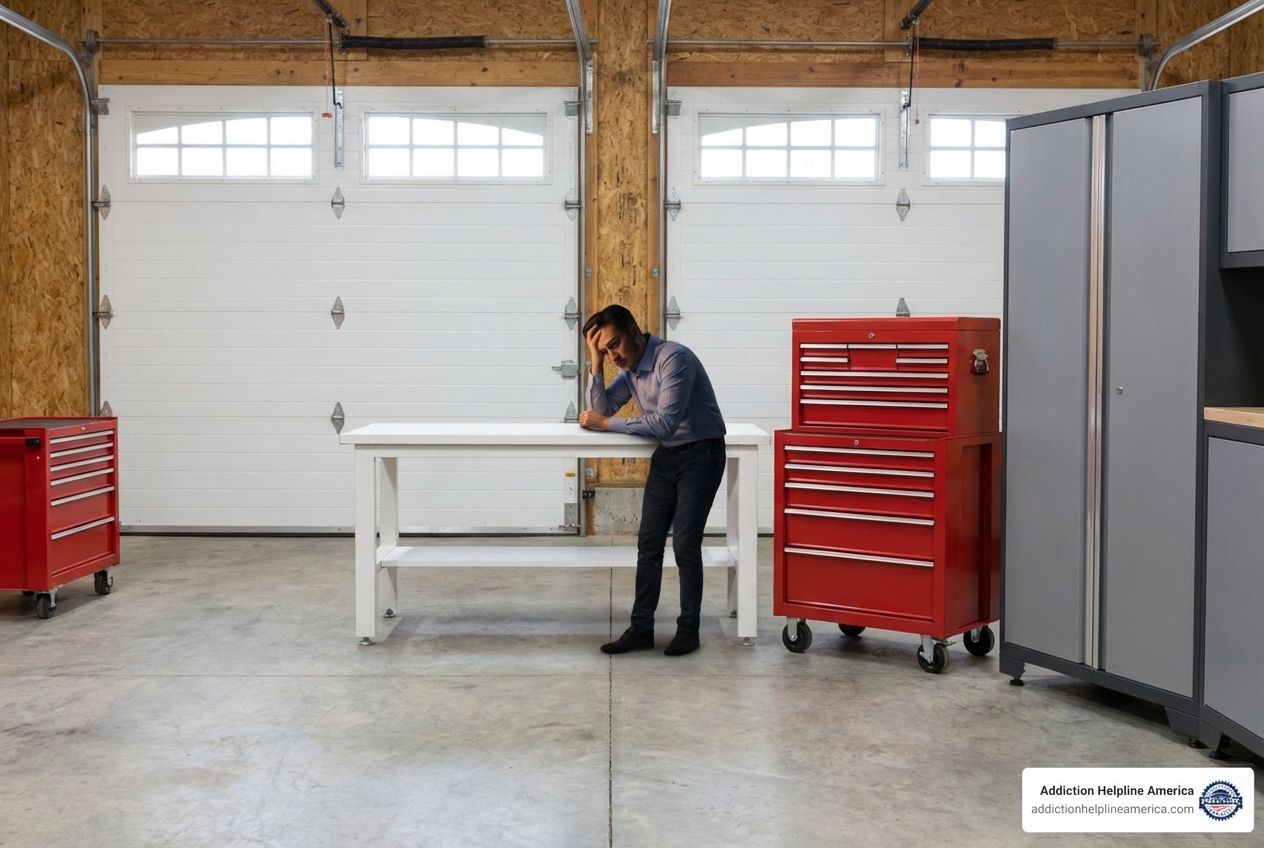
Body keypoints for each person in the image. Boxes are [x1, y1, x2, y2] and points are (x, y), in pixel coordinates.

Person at [579, 304, 727, 656]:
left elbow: (663, 423)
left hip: (701, 454)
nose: (614, 355)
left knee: (685, 545)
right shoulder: (630, 368)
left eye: (614, 345)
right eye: (605, 350)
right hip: (668, 456)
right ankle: (642, 628)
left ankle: (688, 630)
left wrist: (605, 424)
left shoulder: (673, 358)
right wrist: (594, 364)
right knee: (649, 544)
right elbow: (602, 407)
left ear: (634, 331)